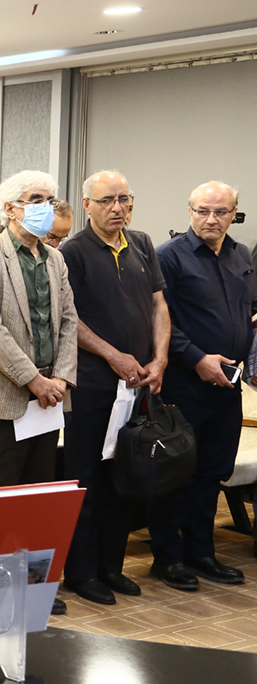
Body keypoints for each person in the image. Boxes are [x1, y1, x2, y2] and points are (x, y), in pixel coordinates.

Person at [0, 171, 78, 613]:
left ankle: (29, 587)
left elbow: (68, 320)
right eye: (36, 198)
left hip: (47, 399)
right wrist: (33, 379)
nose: (47, 206)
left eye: (50, 198)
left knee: (36, 497)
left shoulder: (55, 259)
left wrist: (61, 377)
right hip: (2, 396)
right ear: (10, 208)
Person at [59, 170, 169, 603]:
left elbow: (159, 304)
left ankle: (111, 567)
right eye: (107, 200)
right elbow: (69, 319)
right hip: (93, 386)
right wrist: (112, 355)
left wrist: (160, 358)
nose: (117, 208)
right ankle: (81, 573)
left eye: (124, 199)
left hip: (138, 384)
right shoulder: (73, 252)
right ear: (87, 205)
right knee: (86, 479)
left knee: (124, 478)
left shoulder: (141, 243)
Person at [149, 181, 254, 589]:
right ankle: (167, 559)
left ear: (234, 213)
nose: (211, 219)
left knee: (211, 473)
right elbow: (159, 321)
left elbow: (247, 309)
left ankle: (201, 553)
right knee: (177, 475)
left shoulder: (240, 255)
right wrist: (196, 358)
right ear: (190, 211)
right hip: (184, 385)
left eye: (221, 211)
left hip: (227, 386)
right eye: (203, 211)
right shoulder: (168, 257)